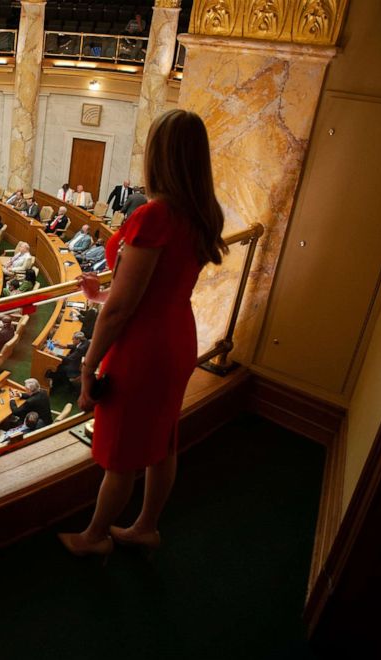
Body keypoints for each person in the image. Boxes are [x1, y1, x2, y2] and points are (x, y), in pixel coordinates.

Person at [58, 109, 227, 559]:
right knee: (162, 438)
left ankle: (94, 537)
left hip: (142, 348)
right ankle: (146, 527)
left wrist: (89, 365)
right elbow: (155, 286)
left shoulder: (154, 216)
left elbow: (122, 311)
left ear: (159, 156)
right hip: (177, 335)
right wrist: (99, 296)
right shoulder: (203, 212)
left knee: (122, 451)